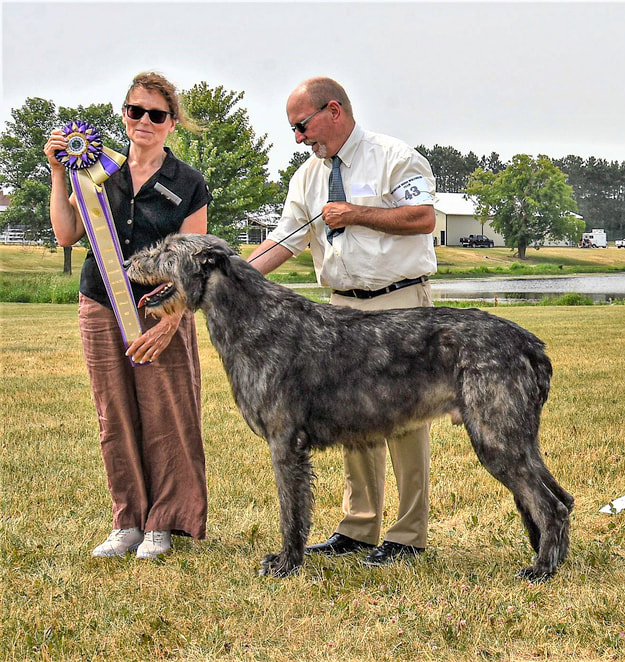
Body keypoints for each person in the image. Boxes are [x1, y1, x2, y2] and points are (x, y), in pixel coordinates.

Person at [249, 77, 437, 566]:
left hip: (399, 306)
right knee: (352, 414)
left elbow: (422, 218)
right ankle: (359, 528)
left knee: (405, 418)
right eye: (293, 130)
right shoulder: (307, 177)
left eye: (301, 126)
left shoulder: (395, 156)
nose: (298, 139)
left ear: (333, 111)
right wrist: (232, 278)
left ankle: (408, 535)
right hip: (340, 310)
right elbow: (284, 240)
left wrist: (356, 213)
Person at [43, 72, 211, 559]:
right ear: (124, 115)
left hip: (160, 310)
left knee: (167, 415)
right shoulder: (97, 170)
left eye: (156, 115)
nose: (145, 121)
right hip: (99, 302)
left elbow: (191, 260)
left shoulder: (188, 182)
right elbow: (66, 233)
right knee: (112, 414)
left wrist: (171, 322)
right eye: (136, 111)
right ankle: (128, 522)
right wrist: (57, 172)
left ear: (172, 124)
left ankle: (163, 521)